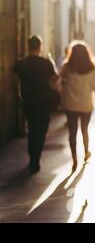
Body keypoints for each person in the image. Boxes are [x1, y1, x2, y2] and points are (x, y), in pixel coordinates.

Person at [14, 35, 59, 173]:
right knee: (41, 130)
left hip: (28, 101)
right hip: (44, 102)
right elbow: (55, 78)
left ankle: (32, 156)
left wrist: (19, 95)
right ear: (40, 47)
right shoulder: (46, 63)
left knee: (32, 128)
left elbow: (15, 80)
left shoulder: (22, 64)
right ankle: (36, 157)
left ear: (28, 47)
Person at [60, 41, 95, 173]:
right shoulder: (92, 68)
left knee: (72, 132)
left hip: (70, 104)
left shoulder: (67, 67)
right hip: (86, 105)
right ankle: (86, 152)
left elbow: (59, 81)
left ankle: (74, 159)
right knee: (84, 129)